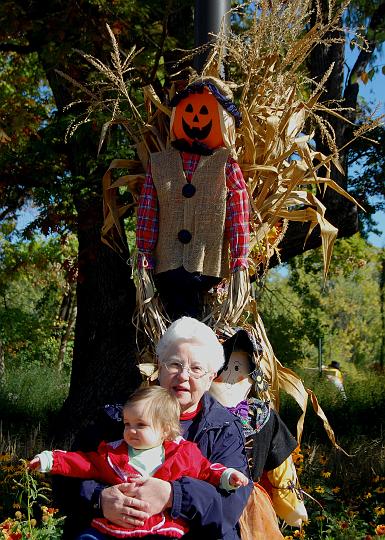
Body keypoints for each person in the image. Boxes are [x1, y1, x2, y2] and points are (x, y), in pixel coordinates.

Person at [55, 317, 252, 540]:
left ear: (210, 379)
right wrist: (99, 498)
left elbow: (229, 504)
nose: (183, 375)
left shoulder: (222, 429)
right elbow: (66, 480)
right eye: (175, 364)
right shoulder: (119, 417)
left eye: (196, 369)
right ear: (160, 367)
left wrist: (173, 495)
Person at [30, 386, 249, 539]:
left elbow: (207, 470)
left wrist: (227, 477)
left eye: (140, 425)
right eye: (127, 424)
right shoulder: (112, 453)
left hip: (161, 529)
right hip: (113, 527)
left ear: (164, 429)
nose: (130, 431)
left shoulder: (183, 454)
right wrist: (50, 460)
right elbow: (80, 462)